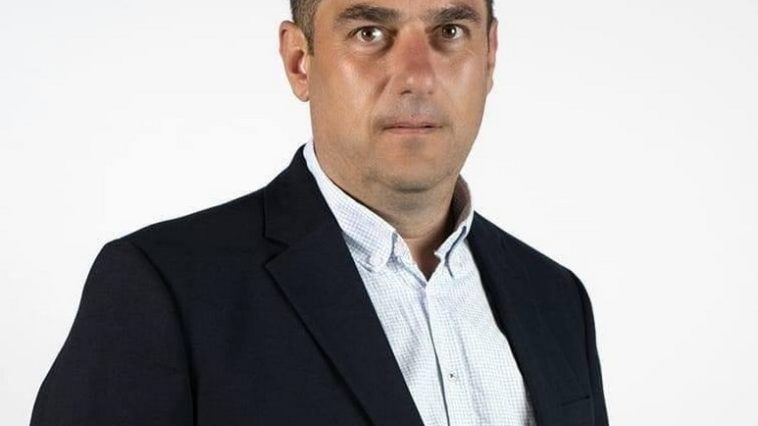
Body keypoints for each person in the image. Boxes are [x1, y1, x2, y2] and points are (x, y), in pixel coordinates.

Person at [30, 0, 609, 424]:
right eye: (369, 32)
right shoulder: (164, 290)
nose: (417, 74)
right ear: (299, 61)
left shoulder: (557, 300)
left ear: (489, 55)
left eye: (450, 31)